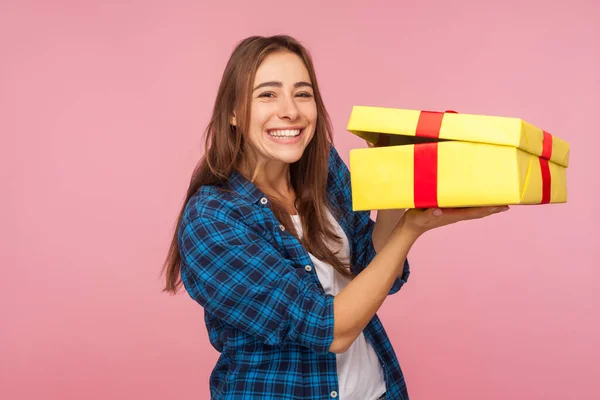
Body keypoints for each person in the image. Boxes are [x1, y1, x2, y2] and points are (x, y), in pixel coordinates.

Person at [162, 35, 509, 400]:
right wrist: (411, 229)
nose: (290, 111)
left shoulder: (323, 171)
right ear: (233, 112)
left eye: (302, 93)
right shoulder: (212, 221)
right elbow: (329, 329)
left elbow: (370, 271)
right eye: (267, 94)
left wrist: (395, 188)